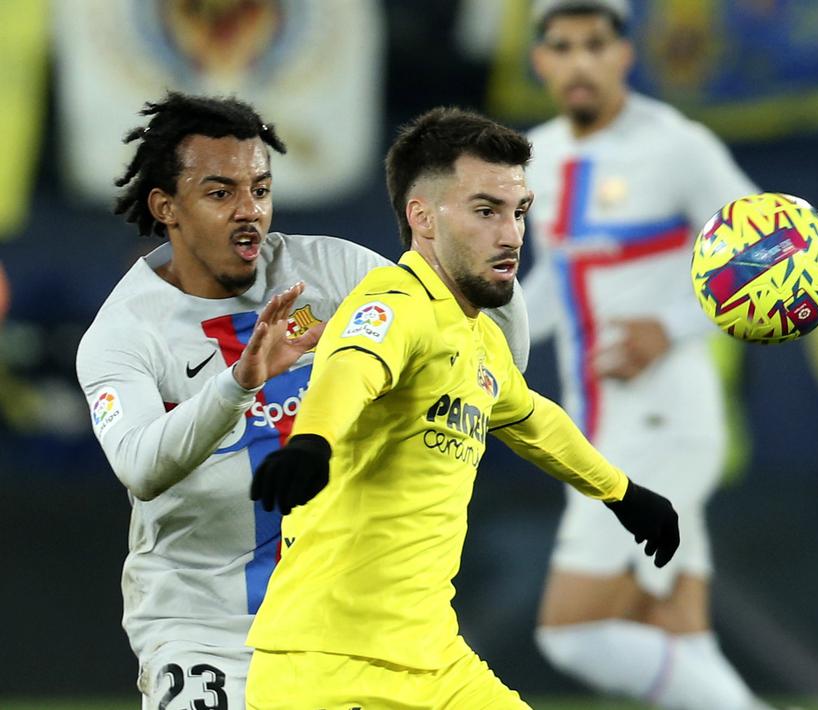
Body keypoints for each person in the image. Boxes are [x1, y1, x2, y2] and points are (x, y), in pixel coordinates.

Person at [75, 92, 530, 709]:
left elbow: (489, 349)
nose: (249, 213)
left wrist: (472, 256)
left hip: (339, 624)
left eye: (259, 190)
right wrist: (238, 384)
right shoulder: (126, 333)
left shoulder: (334, 273)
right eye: (220, 194)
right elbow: (140, 466)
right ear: (166, 207)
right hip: (208, 632)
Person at [243, 106, 681, 709]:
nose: (512, 235)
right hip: (329, 668)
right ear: (422, 218)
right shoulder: (394, 303)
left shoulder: (478, 338)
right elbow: (351, 368)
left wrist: (623, 494)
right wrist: (314, 441)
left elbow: (533, 421)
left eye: (519, 212)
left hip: (435, 663)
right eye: (486, 211)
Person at [520, 1, 770, 708]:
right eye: (562, 46)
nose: (579, 61)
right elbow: (554, 280)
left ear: (625, 54)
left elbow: (772, 249)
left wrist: (671, 324)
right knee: (677, 635)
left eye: (595, 44)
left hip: (662, 418)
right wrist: (470, 330)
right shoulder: (536, 155)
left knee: (572, 633)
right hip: (603, 422)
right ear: (540, 61)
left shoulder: (676, 144)